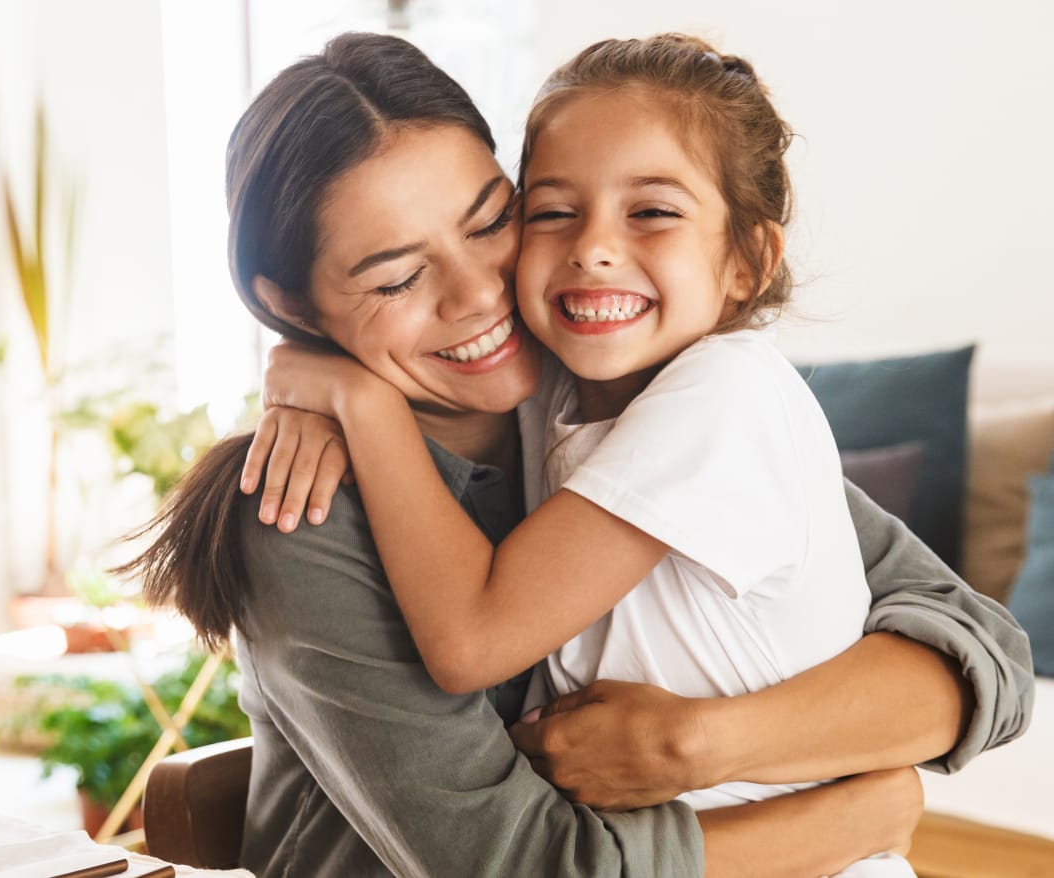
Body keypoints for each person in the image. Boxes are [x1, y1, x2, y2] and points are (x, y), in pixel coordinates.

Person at [117, 32, 1034, 877]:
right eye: (397, 277)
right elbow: (507, 865)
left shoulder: (622, 398)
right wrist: (851, 818)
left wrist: (699, 745)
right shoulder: (299, 509)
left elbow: (980, 655)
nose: (479, 295)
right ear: (292, 307)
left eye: (490, 224)